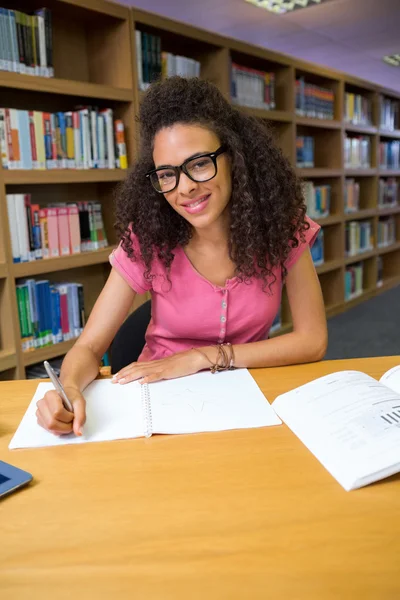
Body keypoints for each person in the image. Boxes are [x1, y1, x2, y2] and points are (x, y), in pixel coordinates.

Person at [36, 76, 327, 436]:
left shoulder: (283, 228)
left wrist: (203, 357)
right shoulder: (149, 238)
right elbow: (91, 345)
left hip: (244, 400)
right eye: (167, 174)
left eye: (200, 163)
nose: (186, 187)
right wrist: (68, 390)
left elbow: (312, 340)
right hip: (158, 402)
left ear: (233, 158)